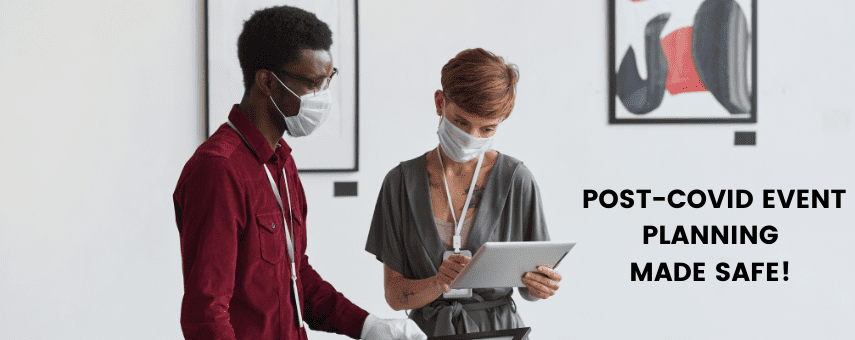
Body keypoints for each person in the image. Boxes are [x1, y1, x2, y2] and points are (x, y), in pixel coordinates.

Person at [173, 6, 426, 340]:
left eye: (328, 80)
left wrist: (368, 326)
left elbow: (296, 276)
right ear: (267, 82)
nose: (323, 97)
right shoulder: (219, 169)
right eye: (313, 83)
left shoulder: (281, 162)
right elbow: (206, 314)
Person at [364, 48, 563, 338]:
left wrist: (541, 287)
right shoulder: (400, 184)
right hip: (428, 331)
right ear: (440, 103)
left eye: (487, 129)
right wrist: (437, 283)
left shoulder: (516, 181)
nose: (472, 137)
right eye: (461, 122)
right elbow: (395, 296)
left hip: (499, 332)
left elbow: (530, 289)